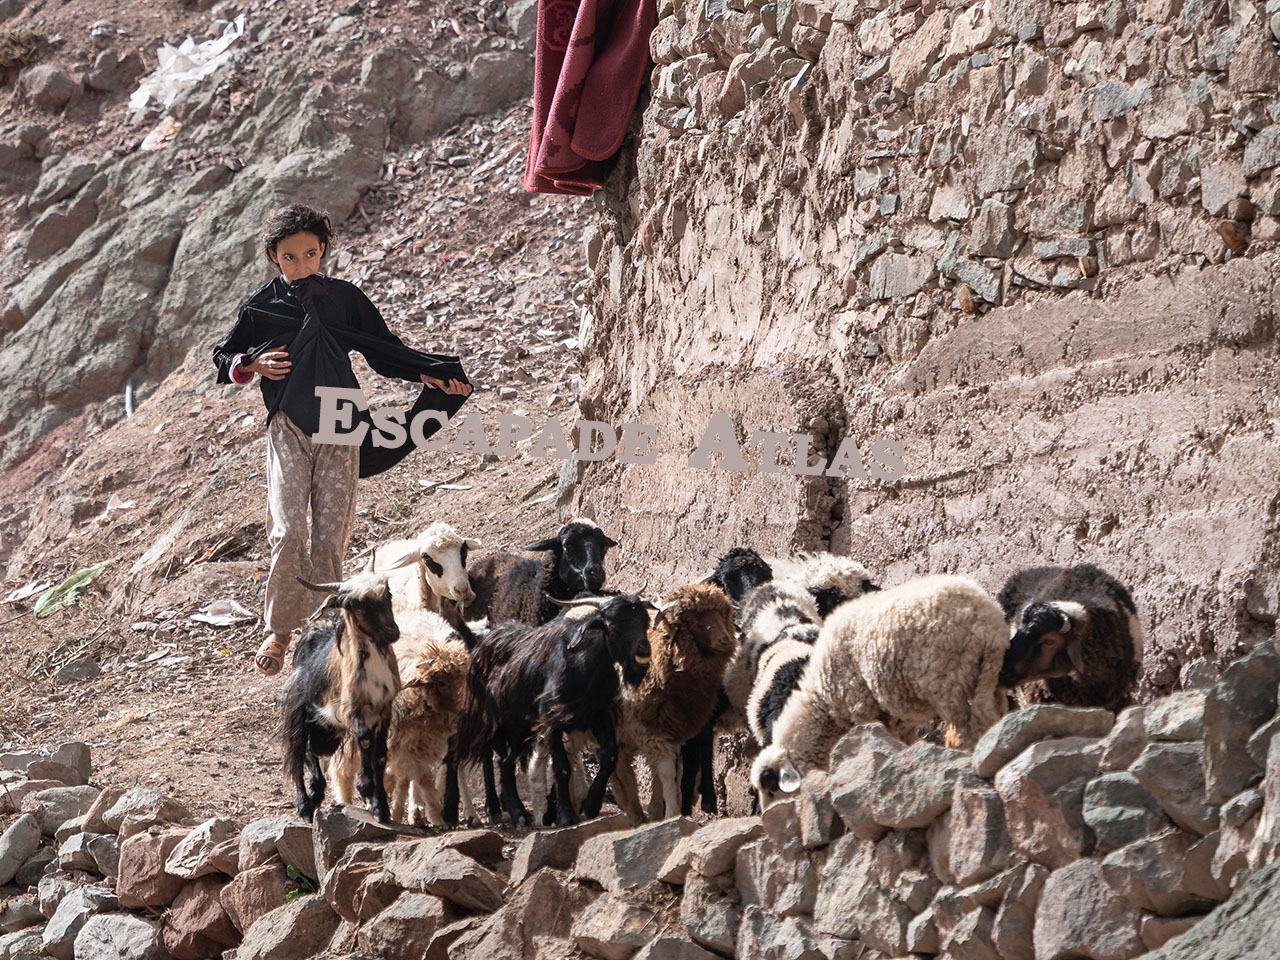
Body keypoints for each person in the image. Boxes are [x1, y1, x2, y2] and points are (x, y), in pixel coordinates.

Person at [211, 203, 472, 675]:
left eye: (311, 254)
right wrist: (252, 365)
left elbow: (382, 348)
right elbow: (224, 355)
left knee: (330, 538)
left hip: (339, 420)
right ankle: (279, 628)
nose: (302, 265)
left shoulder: (344, 298)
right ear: (274, 256)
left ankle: (312, 634)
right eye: (290, 257)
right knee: (289, 531)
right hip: (289, 423)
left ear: (323, 251)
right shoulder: (261, 307)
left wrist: (428, 375)